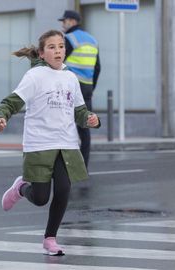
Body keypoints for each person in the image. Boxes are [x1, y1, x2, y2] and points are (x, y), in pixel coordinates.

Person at [0, 30, 100, 256]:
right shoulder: (35, 76)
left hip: (66, 144)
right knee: (41, 198)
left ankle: (50, 239)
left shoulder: (71, 77)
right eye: (51, 47)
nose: (58, 51)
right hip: (39, 145)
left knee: (63, 190)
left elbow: (79, 110)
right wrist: (1, 116)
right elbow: (12, 101)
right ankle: (21, 188)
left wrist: (90, 118)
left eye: (61, 46)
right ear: (42, 53)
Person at [59, 10, 101, 168]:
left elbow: (58, 61)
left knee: (63, 124)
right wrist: (91, 88)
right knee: (85, 126)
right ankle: (83, 166)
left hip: (69, 87)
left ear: (71, 21)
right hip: (87, 87)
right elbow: (97, 68)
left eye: (64, 21)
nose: (63, 25)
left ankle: (64, 165)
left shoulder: (69, 38)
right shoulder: (93, 40)